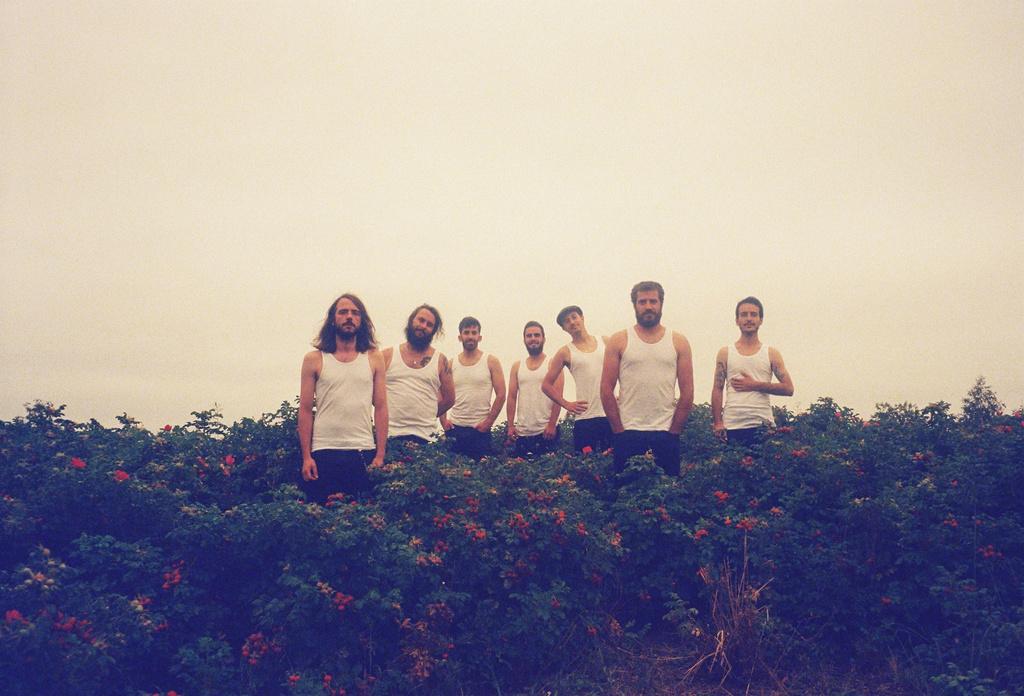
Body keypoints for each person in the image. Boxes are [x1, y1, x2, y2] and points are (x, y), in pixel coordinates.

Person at [298, 293, 387, 504]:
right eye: (343, 312)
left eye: (355, 313)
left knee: (362, 515)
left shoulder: (374, 358)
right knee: (322, 516)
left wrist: (380, 455)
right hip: (324, 450)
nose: (349, 317)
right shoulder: (314, 359)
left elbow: (381, 407)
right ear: (333, 318)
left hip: (362, 449)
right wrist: (306, 457)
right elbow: (305, 409)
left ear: (362, 320)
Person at [601, 281, 693, 477]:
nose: (648, 306)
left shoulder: (679, 341)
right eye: (642, 302)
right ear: (635, 305)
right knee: (626, 492)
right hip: (628, 431)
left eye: (653, 301)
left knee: (667, 492)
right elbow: (606, 389)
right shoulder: (619, 340)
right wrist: (618, 431)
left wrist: (674, 432)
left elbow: (688, 391)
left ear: (661, 304)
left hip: (666, 432)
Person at [711, 296, 794, 448]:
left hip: (763, 426)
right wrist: (718, 423)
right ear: (737, 320)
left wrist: (754, 385)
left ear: (761, 320)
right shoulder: (725, 353)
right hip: (732, 425)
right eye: (744, 315)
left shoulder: (771, 353)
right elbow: (717, 388)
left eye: (753, 314)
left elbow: (788, 389)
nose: (749, 319)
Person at [382, 304, 455, 452]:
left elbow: (449, 399)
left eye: (429, 325)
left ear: (434, 331)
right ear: (411, 320)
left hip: (426, 440)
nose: (423, 326)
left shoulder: (441, 361)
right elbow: (371, 392)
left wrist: (428, 412)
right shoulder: (387, 355)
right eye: (421, 320)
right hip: (390, 437)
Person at [542, 305, 612, 453]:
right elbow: (546, 385)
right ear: (564, 328)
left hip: (611, 415)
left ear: (582, 318)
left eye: (574, 317)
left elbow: (624, 368)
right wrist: (566, 404)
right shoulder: (565, 352)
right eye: (567, 321)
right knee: (585, 465)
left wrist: (623, 393)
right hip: (585, 418)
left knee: (614, 462)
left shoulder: (605, 341)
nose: (572, 322)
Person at [440, 317, 506, 459]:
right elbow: (441, 394)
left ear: (479, 337)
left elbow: (501, 394)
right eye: (466, 332)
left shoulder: (491, 361)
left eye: (474, 333)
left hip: (480, 430)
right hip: (455, 429)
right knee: (453, 471)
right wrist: (443, 420)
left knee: (481, 472)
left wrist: (488, 422)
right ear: (460, 337)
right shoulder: (451, 364)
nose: (470, 336)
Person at [508, 321, 563, 457]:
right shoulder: (517, 366)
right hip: (522, 433)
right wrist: (510, 426)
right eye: (529, 336)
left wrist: (552, 425)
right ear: (524, 340)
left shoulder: (553, 363)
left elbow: (558, 397)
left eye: (537, 335)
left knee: (548, 469)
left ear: (543, 339)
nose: (533, 338)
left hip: (546, 431)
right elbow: (512, 397)